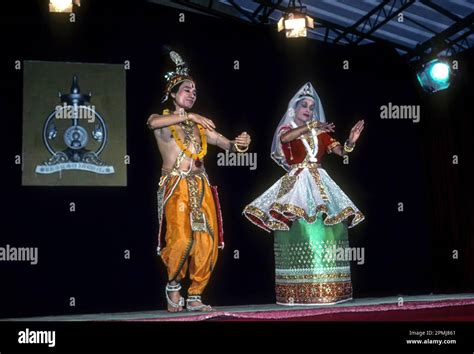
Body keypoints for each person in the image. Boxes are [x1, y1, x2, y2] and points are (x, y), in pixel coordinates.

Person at [147, 50, 251, 312]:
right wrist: (189, 116)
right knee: (181, 239)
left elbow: (226, 144)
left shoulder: (201, 126)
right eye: (186, 90)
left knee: (206, 239)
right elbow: (152, 123)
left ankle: (195, 295)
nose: (192, 94)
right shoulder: (163, 122)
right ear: (172, 93)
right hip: (176, 185)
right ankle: (173, 285)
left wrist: (240, 145)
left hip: (201, 185)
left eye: (195, 91)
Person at [243, 82, 364, 305]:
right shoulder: (288, 129)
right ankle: (297, 290)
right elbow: (285, 140)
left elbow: (340, 151)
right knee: (301, 228)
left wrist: (350, 141)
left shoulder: (320, 132)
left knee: (330, 229)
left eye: (311, 106)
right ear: (294, 109)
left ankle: (330, 288)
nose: (308, 110)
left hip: (321, 182)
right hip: (297, 182)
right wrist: (311, 127)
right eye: (304, 106)